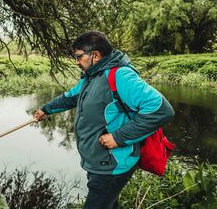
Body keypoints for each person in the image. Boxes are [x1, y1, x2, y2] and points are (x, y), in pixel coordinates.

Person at [33, 31, 174, 209]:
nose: (77, 62)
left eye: (79, 57)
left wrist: (118, 137)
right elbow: (70, 97)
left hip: (113, 163)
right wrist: (46, 109)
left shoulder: (120, 76)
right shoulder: (92, 76)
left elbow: (162, 110)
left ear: (96, 55)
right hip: (98, 160)